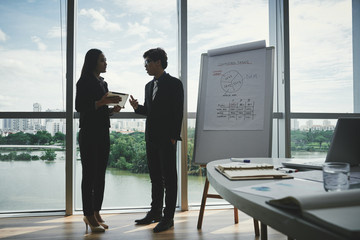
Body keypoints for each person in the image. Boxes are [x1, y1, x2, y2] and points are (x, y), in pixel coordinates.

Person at [129, 47, 184, 233]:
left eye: (147, 62)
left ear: (158, 62)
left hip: (167, 139)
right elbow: (151, 112)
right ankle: (155, 212)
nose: (145, 66)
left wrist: (173, 137)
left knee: (169, 178)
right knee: (155, 178)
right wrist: (138, 108)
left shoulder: (175, 84)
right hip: (151, 138)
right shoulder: (148, 86)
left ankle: (168, 217)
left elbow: (178, 113)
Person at [75, 49, 122, 233]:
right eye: (103, 60)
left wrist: (111, 111)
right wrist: (101, 103)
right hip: (89, 133)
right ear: (93, 62)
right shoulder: (84, 81)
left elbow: (101, 110)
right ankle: (88, 214)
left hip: (103, 132)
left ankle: (96, 211)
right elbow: (79, 106)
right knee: (89, 175)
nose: (106, 63)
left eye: (106, 60)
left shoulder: (103, 82)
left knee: (100, 174)